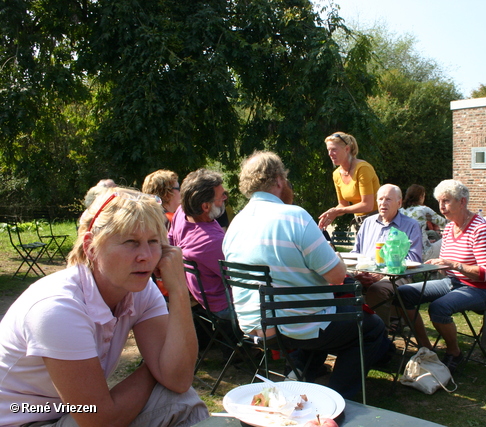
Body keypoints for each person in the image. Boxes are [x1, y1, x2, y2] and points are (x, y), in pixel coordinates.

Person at [0, 188, 208, 426]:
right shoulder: (58, 308)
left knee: (180, 398)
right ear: (91, 246)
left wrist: (179, 291)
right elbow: (99, 420)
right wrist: (157, 367)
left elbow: (179, 380)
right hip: (23, 421)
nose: (146, 256)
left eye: (153, 241)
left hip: (68, 413)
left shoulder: (139, 290)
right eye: (131, 242)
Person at [222, 151, 389, 400]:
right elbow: (336, 276)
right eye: (286, 180)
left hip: (253, 324)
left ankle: (297, 381)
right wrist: (333, 256)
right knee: (371, 328)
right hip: (292, 324)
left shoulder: (236, 224)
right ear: (278, 180)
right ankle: (339, 399)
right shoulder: (294, 216)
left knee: (319, 316)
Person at [397, 179, 486, 373]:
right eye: (439, 201)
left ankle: (454, 353)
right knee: (402, 293)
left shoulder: (481, 229)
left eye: (446, 201)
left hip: (481, 289)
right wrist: (436, 267)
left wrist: (454, 265)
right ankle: (425, 347)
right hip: (453, 282)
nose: (441, 207)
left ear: (462, 202)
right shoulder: (450, 228)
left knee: (439, 307)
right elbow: (446, 266)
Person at [351, 184, 422, 325]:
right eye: (380, 199)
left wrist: (384, 274)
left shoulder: (411, 225)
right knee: (340, 282)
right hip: (365, 274)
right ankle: (351, 334)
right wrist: (359, 272)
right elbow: (356, 254)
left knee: (377, 289)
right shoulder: (368, 223)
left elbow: (413, 259)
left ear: (399, 203)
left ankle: (379, 336)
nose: (383, 203)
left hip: (397, 275)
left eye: (388, 199)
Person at [168, 168, 229, 319]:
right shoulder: (212, 241)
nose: (225, 198)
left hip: (202, 296)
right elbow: (241, 279)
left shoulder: (181, 212)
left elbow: (169, 240)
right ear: (206, 207)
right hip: (223, 305)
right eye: (221, 196)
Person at [318, 132, 380, 230]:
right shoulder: (336, 174)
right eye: (328, 150)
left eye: (334, 149)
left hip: (378, 221)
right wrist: (330, 214)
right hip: (359, 224)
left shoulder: (363, 168)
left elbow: (367, 205)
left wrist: (337, 211)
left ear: (347, 149)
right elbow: (343, 204)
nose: (330, 154)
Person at [399, 184, 447, 261]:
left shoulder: (400, 211)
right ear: (421, 197)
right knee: (448, 240)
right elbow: (444, 223)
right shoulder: (423, 210)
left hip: (405, 253)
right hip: (423, 253)